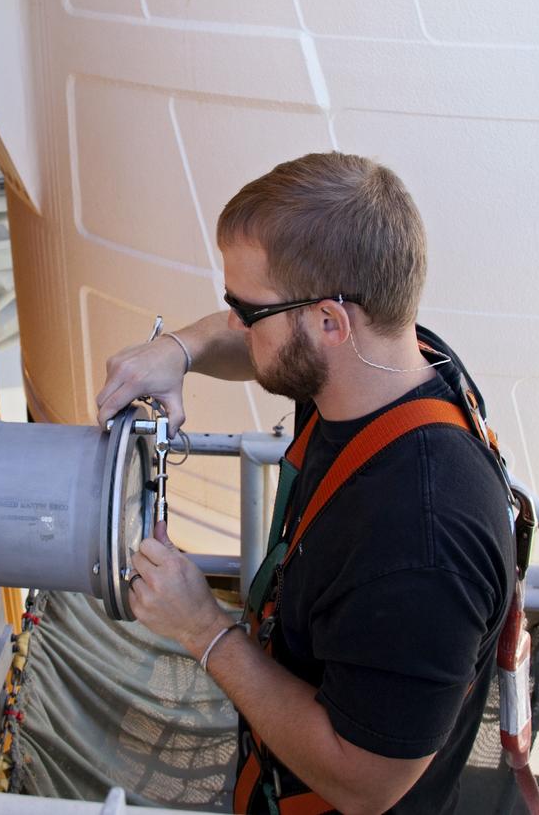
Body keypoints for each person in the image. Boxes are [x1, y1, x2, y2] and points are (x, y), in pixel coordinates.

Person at [95, 152, 515, 814]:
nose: (230, 320)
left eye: (245, 306)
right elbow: (265, 341)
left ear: (329, 321)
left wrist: (202, 628)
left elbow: (365, 781)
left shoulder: (421, 543)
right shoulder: (385, 360)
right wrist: (178, 349)